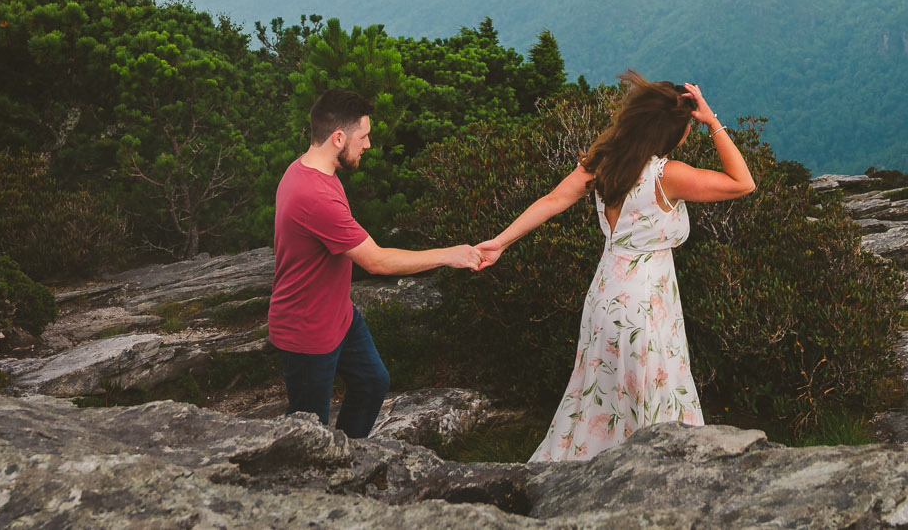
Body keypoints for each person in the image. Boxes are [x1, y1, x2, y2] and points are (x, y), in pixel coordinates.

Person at [476, 72, 755, 462]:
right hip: (645, 306)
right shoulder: (667, 176)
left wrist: (501, 242)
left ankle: (585, 474)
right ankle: (660, 481)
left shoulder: (605, 163)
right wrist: (713, 122)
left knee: (601, 396)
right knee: (654, 397)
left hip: (606, 298)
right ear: (673, 131)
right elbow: (743, 183)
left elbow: (552, 200)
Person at [270, 87, 487, 437]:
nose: (368, 145)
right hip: (307, 330)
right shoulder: (314, 195)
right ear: (339, 138)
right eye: (364, 136)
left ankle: (351, 456)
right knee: (309, 432)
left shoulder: (308, 170)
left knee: (372, 382)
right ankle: (322, 482)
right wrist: (450, 255)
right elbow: (377, 261)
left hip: (337, 314)